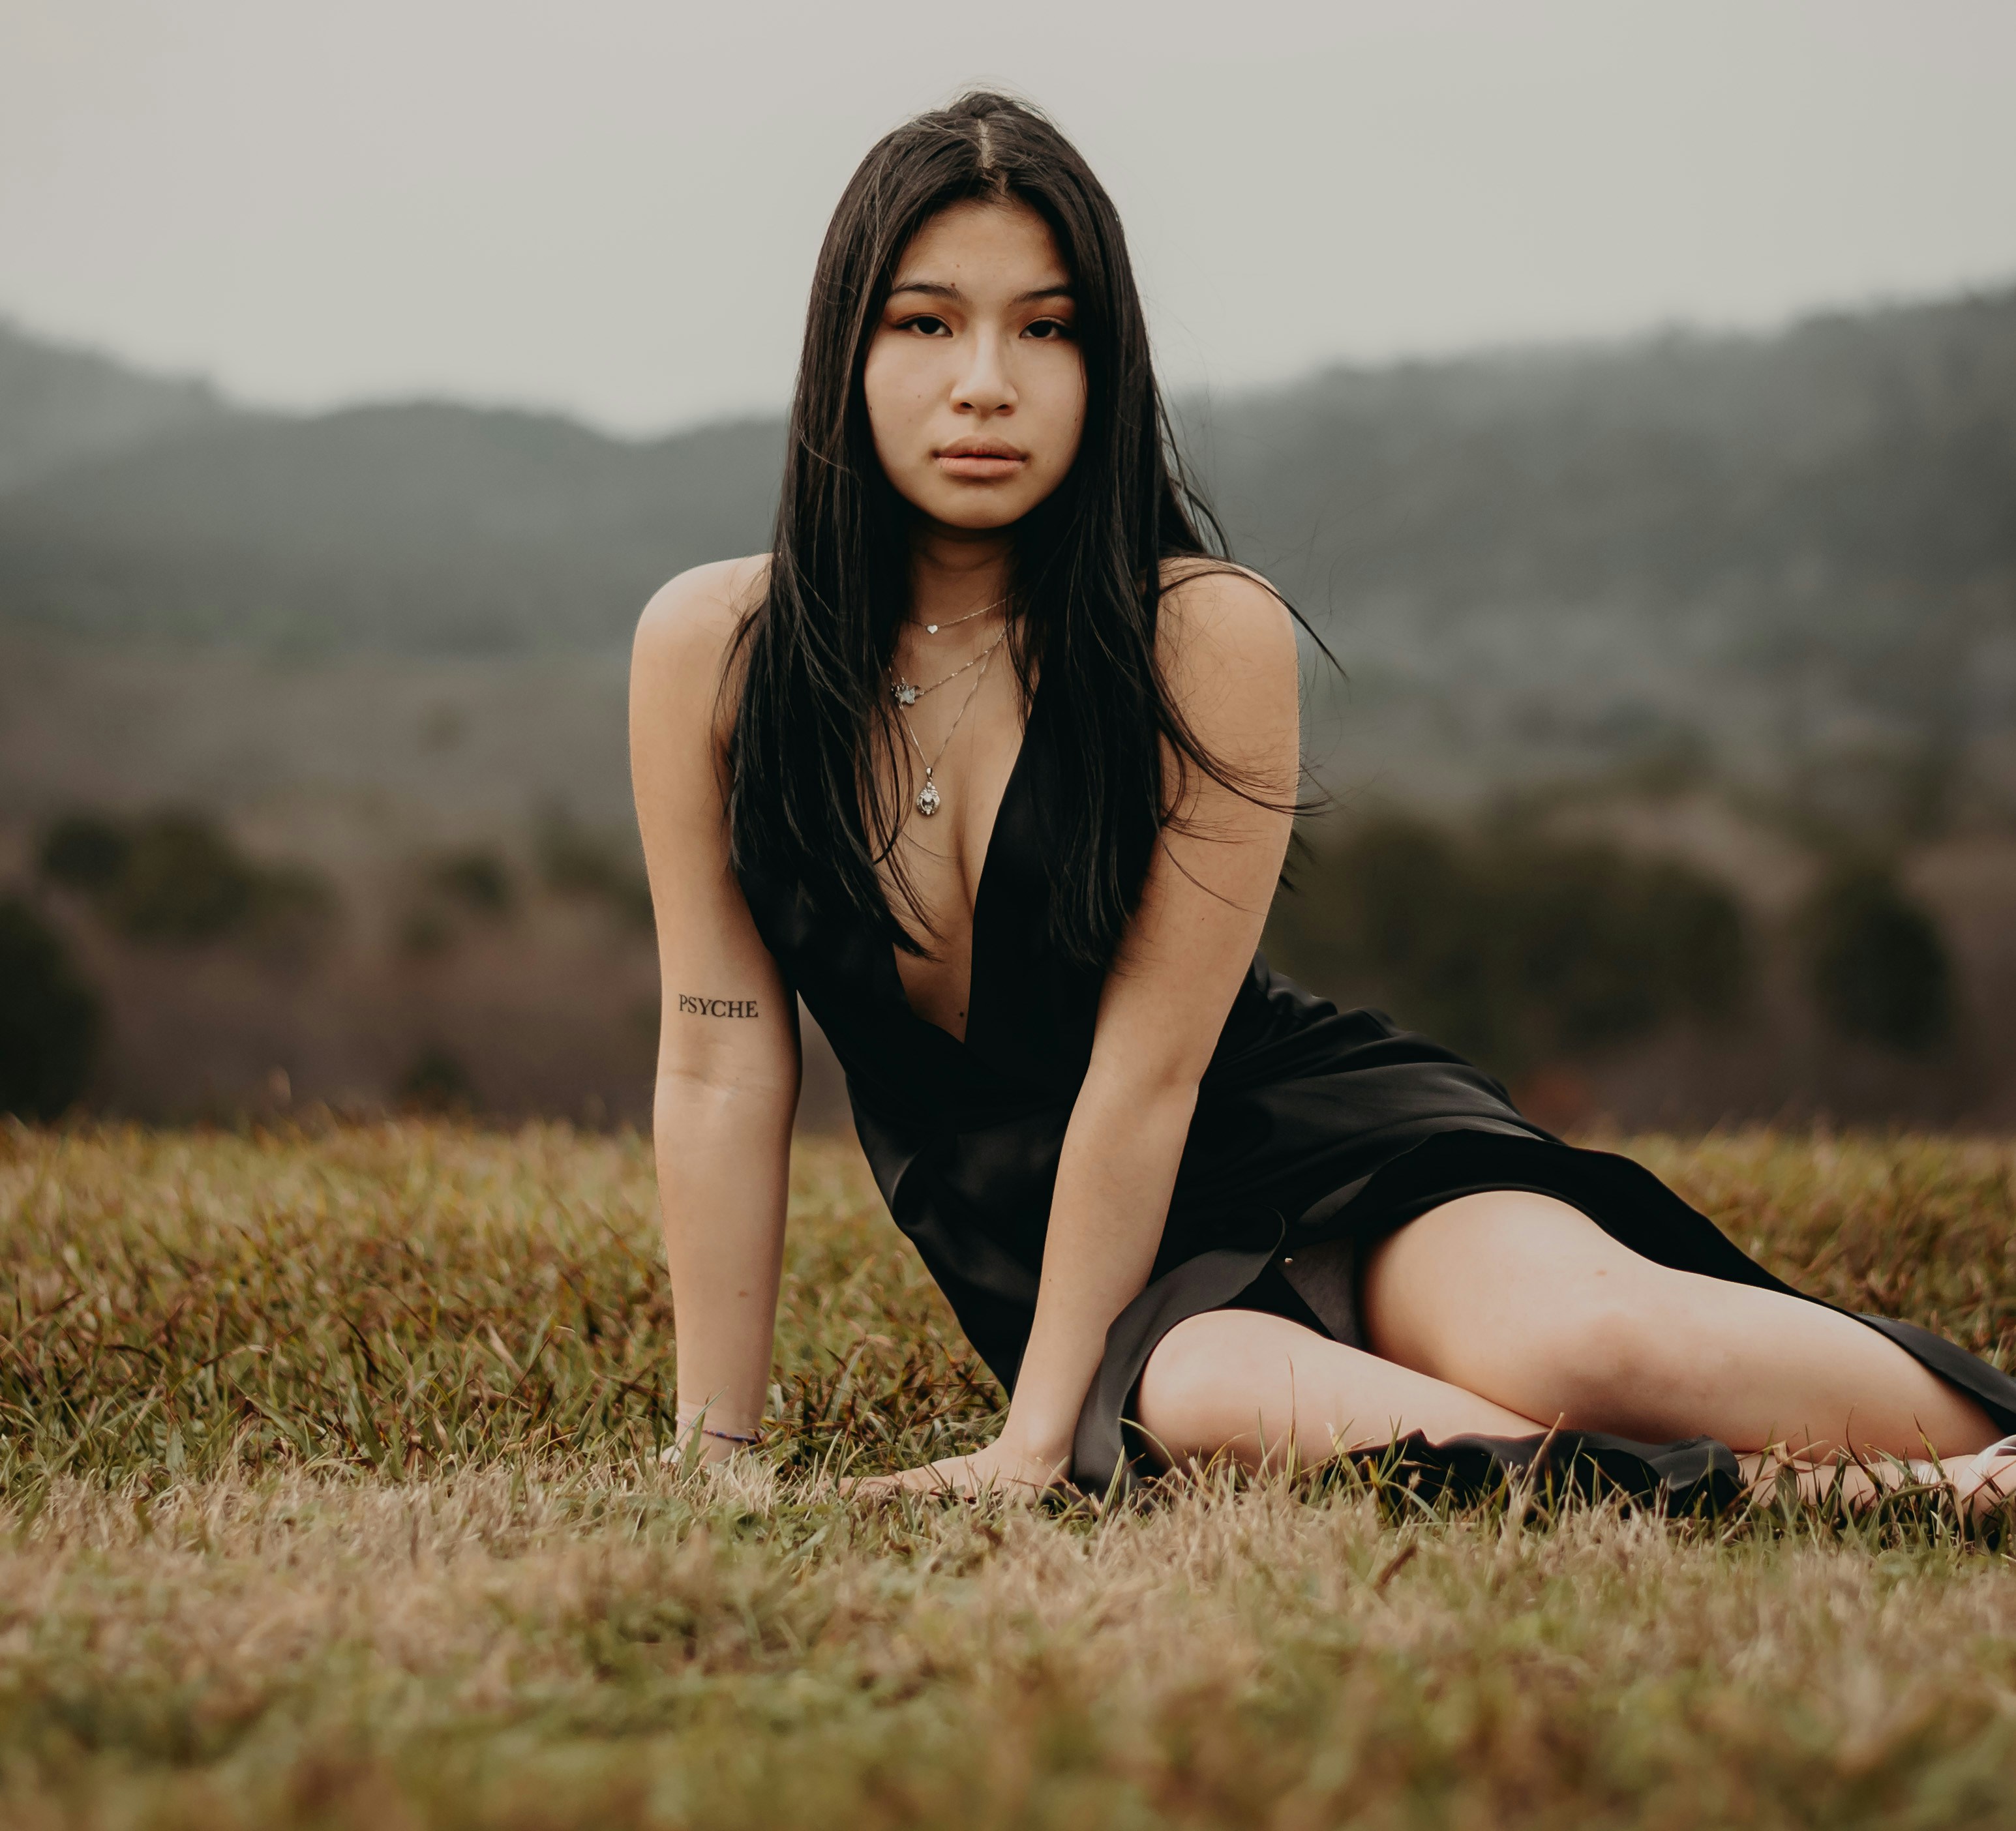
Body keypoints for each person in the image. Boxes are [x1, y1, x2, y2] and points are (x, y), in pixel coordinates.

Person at [632, 93, 2016, 1513]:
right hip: (1097, 1277)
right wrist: (714, 1448)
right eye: (925, 323)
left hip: (1311, 1147)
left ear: (1108, 368)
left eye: (1047, 328)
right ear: (842, 350)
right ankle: (1825, 1500)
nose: (984, 380)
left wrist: (1036, 1444)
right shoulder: (713, 654)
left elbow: (1147, 1074)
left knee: (1575, 1338)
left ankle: (1958, 1458)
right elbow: (721, 1063)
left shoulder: (1197, 631)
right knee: (1214, 1397)